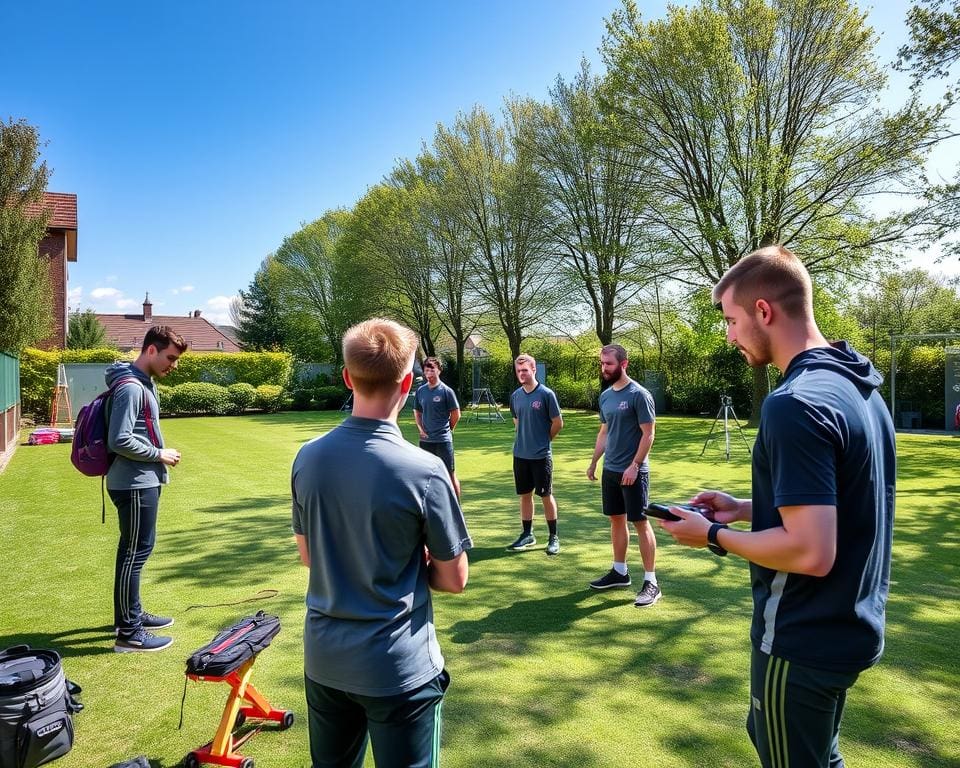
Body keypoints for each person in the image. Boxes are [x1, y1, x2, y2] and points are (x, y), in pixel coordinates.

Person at [660, 245, 895, 768]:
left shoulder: (793, 404)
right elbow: (843, 499)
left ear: (763, 311)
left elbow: (811, 551)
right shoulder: (859, 387)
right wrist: (746, 507)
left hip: (803, 636)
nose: (730, 335)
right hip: (852, 627)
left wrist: (712, 536)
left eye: (731, 320)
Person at [292, 318, 472, 768]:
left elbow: (308, 556)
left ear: (347, 377)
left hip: (325, 659)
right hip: (398, 667)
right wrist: (413, 561)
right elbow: (453, 579)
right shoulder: (425, 471)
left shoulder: (307, 457)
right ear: (409, 382)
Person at [107, 325, 186, 652]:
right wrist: (159, 454)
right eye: (170, 357)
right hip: (134, 482)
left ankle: (132, 614)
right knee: (134, 555)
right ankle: (129, 633)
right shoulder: (130, 388)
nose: (174, 365)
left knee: (135, 552)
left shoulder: (141, 383)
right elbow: (119, 438)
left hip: (141, 480)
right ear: (151, 350)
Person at [586, 344, 661, 607]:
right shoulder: (606, 396)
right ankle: (620, 572)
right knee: (616, 520)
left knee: (640, 522)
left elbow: (648, 433)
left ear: (624, 364)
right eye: (601, 363)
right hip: (611, 470)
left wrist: (635, 465)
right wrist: (595, 462)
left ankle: (651, 581)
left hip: (633, 472)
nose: (604, 368)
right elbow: (604, 432)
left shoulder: (639, 395)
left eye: (609, 364)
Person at [506, 354, 563, 555]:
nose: (522, 374)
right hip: (520, 455)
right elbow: (517, 421)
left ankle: (553, 537)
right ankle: (527, 534)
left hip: (541, 456)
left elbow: (558, 423)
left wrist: (544, 440)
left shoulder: (546, 394)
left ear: (533, 370)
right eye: (519, 370)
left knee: (545, 495)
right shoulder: (515, 396)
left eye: (525, 370)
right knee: (524, 496)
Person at [414, 356, 461, 499]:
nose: (429, 373)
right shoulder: (421, 391)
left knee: (449, 474)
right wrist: (421, 429)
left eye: (432, 370)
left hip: (443, 440)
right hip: (426, 441)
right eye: (426, 370)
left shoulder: (446, 391)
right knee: (425, 475)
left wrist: (448, 429)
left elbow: (456, 414)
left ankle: (456, 508)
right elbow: (417, 412)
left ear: (439, 370)